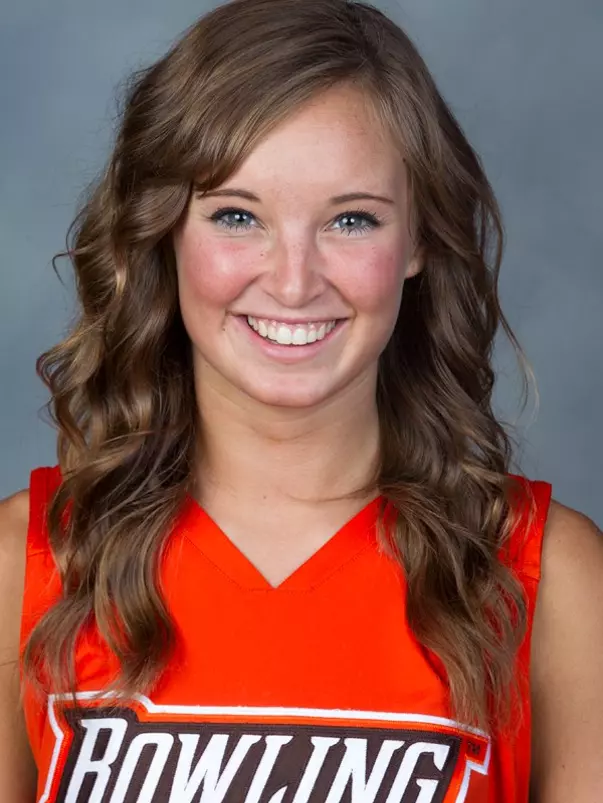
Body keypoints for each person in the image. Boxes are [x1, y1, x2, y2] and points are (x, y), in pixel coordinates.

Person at [1, 0, 601, 800]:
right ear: (162, 230)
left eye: (350, 219)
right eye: (236, 216)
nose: (292, 281)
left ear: (418, 239)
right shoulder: (28, 564)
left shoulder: (547, 574)